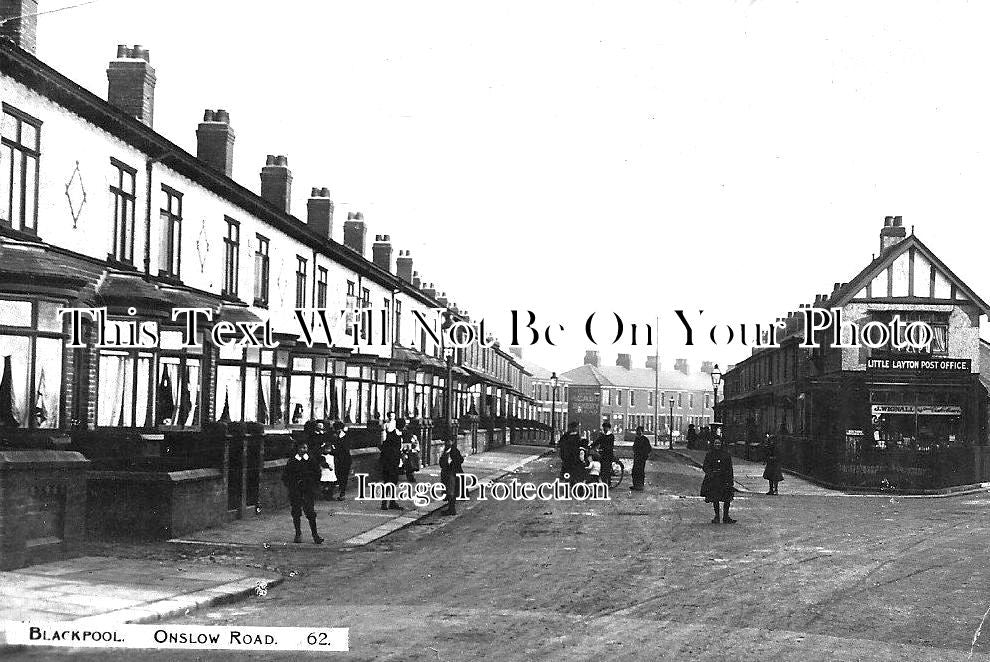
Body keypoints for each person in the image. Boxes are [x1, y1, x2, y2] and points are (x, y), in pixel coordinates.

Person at [281, 440, 324, 544]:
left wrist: (313, 485)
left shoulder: (311, 460)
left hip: (308, 490)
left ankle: (315, 535)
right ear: (297, 449)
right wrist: (292, 486)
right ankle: (298, 534)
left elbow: (317, 473)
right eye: (301, 448)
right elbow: (285, 476)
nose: (303, 450)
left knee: (310, 512)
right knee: (296, 512)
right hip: (295, 490)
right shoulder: (292, 461)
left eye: (305, 447)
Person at [701, 435, 736, 524]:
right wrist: (711, 473)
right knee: (715, 498)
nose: (717, 445)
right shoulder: (709, 454)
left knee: (727, 498)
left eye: (719, 443)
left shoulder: (726, 455)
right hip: (714, 479)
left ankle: (726, 516)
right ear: (713, 444)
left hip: (724, 479)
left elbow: (729, 468)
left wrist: (730, 479)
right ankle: (717, 516)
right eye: (716, 443)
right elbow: (705, 466)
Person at [379, 413, 403, 510]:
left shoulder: (392, 434)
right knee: (390, 482)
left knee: (391, 482)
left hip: (389, 462)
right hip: (391, 462)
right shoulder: (394, 435)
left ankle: (389, 503)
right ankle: (386, 503)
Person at [438, 436, 465, 515]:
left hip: (453, 474)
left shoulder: (454, 450)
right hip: (446, 474)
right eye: (446, 441)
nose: (447, 443)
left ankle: (452, 509)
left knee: (451, 491)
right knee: (448, 491)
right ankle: (450, 508)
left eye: (448, 441)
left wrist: (453, 463)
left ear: (452, 442)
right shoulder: (445, 451)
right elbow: (442, 462)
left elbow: (461, 460)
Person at [590, 420, 615, 486]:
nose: (605, 429)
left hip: (608, 454)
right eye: (604, 427)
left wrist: (603, 449)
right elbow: (597, 442)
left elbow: (610, 446)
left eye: (606, 427)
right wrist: (591, 446)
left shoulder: (611, 436)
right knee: (602, 468)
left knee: (606, 469)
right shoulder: (602, 435)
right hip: (602, 453)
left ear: (609, 428)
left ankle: (608, 483)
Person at [331, 421, 351, 501]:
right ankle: (340, 491)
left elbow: (346, 448)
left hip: (345, 459)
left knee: (344, 476)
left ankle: (342, 493)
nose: (337, 431)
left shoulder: (346, 436)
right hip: (337, 459)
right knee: (338, 475)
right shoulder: (333, 436)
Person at [398, 418, 421, 483]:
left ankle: (410, 475)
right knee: (409, 463)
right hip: (407, 450)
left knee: (408, 463)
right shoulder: (408, 432)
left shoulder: (402, 433)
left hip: (405, 450)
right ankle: (410, 475)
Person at [630, 425, 651, 491]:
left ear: (642, 432)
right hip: (636, 457)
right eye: (637, 431)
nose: (638, 432)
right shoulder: (636, 439)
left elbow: (649, 448)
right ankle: (635, 485)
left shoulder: (645, 439)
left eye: (640, 431)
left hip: (641, 458)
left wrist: (644, 455)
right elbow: (634, 447)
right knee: (634, 471)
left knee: (640, 471)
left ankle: (640, 485)